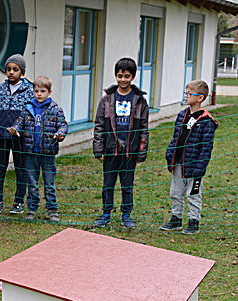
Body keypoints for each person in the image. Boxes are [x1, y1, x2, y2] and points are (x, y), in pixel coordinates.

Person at [92, 58, 149, 229]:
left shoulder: (140, 101)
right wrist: (98, 149)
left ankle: (126, 215)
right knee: (108, 184)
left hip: (130, 151)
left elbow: (144, 128)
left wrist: (141, 151)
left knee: (127, 185)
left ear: (133, 77)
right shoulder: (106, 100)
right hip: (111, 150)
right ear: (115, 76)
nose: (123, 80)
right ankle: (106, 213)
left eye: (127, 76)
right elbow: (99, 125)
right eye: (119, 76)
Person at [160, 80, 217, 235]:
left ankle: (193, 221)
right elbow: (175, 138)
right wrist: (170, 154)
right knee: (175, 192)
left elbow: (206, 148)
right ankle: (176, 219)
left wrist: (200, 167)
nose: (186, 96)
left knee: (193, 194)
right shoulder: (182, 115)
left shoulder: (206, 121)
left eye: (189, 94)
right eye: (185, 93)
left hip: (194, 166)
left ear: (200, 98)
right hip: (179, 163)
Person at [8, 75, 68, 223]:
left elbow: (63, 125)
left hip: (48, 153)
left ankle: (52, 210)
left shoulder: (56, 109)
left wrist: (60, 134)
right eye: (36, 91)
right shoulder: (28, 108)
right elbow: (19, 122)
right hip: (30, 153)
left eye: (42, 91)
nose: (39, 94)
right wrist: (15, 130)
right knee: (32, 183)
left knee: (49, 184)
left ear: (49, 92)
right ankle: (32, 209)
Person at [0, 54, 34, 215]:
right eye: (8, 69)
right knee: (0, 168)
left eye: (15, 69)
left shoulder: (30, 91)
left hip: (20, 138)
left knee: (21, 168)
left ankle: (19, 201)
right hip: (0, 136)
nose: (11, 72)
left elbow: (32, 114)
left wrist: (22, 130)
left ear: (22, 71)